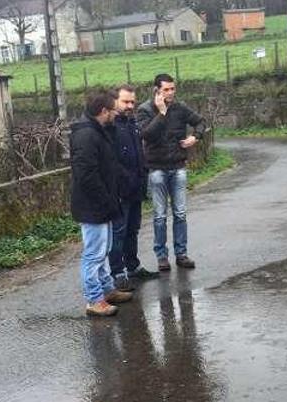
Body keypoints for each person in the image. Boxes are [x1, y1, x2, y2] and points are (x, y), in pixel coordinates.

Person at [70, 91, 133, 317]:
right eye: (114, 111)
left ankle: (107, 290)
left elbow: (108, 164)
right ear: (104, 111)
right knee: (94, 254)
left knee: (103, 251)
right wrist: (105, 200)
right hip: (93, 206)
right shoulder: (86, 135)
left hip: (103, 203)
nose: (117, 115)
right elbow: (86, 175)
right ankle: (94, 299)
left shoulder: (99, 131)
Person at [137, 73, 207, 272]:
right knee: (159, 216)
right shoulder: (144, 110)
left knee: (180, 213)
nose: (170, 93)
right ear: (156, 90)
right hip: (157, 169)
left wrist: (196, 137)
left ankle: (181, 254)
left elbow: (201, 121)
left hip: (177, 167)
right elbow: (146, 135)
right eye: (166, 89)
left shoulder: (180, 107)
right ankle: (162, 257)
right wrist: (161, 112)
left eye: (172, 88)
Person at [108, 84, 158, 292]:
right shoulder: (110, 128)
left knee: (132, 230)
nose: (130, 106)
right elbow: (112, 162)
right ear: (114, 102)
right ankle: (117, 273)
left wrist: (143, 174)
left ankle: (133, 266)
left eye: (132, 102)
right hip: (120, 191)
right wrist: (124, 182)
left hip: (137, 188)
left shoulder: (133, 124)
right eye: (125, 102)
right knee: (118, 233)